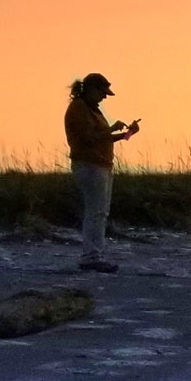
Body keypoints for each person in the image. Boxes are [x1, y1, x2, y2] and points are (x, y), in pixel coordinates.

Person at [64, 73, 139, 273]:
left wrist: (126, 134)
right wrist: (112, 128)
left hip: (101, 166)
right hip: (89, 166)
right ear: (90, 89)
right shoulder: (79, 108)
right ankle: (91, 257)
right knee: (95, 213)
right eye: (102, 92)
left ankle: (94, 255)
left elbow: (100, 139)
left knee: (100, 213)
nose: (104, 97)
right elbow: (88, 138)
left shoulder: (91, 109)